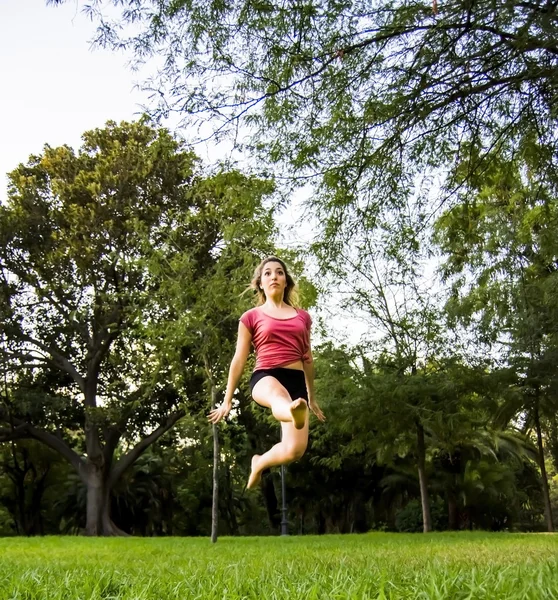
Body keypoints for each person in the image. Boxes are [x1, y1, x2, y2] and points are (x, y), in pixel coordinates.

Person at [208, 256, 325, 489]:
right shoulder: (251, 316)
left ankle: (259, 462)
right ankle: (292, 411)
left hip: (296, 382)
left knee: (294, 450)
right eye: (268, 273)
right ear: (260, 282)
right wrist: (226, 400)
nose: (274, 276)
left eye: (279, 272)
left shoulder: (303, 317)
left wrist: (311, 397)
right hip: (265, 376)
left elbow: (308, 358)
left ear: (286, 281)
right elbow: (239, 359)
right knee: (278, 398)